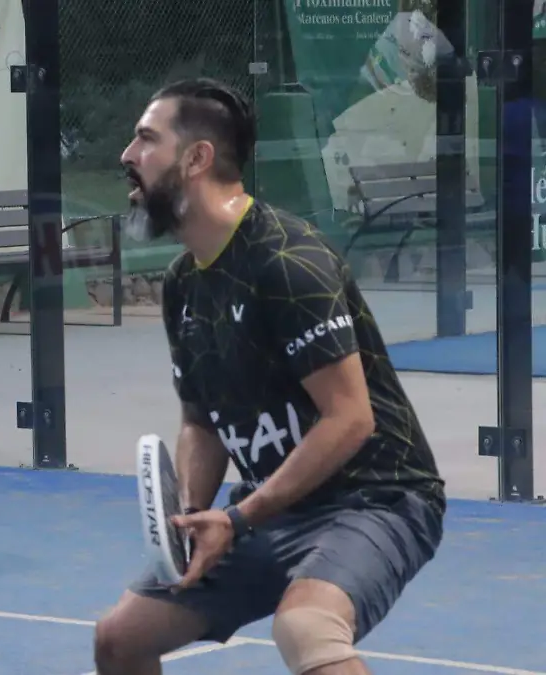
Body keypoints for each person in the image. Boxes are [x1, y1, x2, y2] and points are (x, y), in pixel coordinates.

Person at [95, 77, 446, 675]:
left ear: (196, 158)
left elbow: (350, 418)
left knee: (307, 627)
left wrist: (238, 518)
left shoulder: (289, 261)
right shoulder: (184, 282)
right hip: (273, 509)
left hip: (375, 497)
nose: (129, 156)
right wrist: (192, 519)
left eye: (146, 139)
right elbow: (202, 422)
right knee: (120, 639)